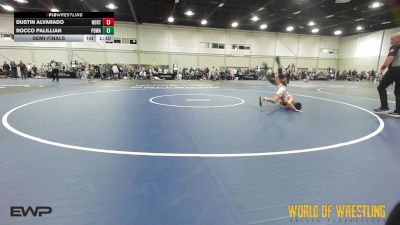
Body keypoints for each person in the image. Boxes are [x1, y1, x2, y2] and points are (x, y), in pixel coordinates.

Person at [374, 32, 400, 117]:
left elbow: (390, 57)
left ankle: (384, 107)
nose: (391, 41)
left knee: (381, 87)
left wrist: (381, 69)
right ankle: (398, 111)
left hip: (395, 69)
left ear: (398, 39)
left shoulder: (395, 46)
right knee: (398, 91)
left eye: (392, 39)